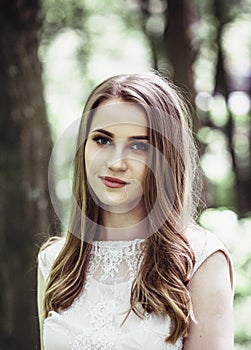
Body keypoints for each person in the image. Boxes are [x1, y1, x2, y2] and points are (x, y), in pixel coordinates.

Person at [37, 72, 234, 350]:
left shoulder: (200, 260)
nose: (116, 162)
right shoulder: (55, 262)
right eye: (102, 140)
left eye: (139, 146)